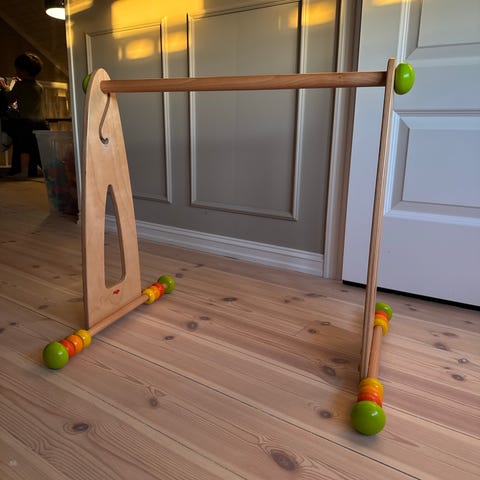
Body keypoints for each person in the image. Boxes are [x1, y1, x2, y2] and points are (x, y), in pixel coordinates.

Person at [0, 53, 49, 177]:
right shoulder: (39, 86)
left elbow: (10, 98)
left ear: (24, 72)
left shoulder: (20, 85)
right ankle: (49, 171)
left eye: (18, 70)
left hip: (26, 123)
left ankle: (23, 172)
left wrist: (5, 87)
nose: (16, 72)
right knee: (40, 149)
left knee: (24, 148)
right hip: (42, 123)